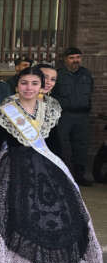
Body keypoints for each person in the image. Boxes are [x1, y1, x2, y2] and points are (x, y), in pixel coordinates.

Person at [0, 67, 106, 263]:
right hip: (13, 168)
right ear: (17, 85)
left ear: (41, 87)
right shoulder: (6, 111)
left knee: (41, 222)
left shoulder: (49, 110)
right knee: (13, 219)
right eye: (24, 83)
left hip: (44, 168)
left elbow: (56, 145)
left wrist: (64, 173)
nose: (28, 88)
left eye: (33, 83)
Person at [54, 46, 95, 185]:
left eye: (78, 57)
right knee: (63, 146)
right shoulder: (58, 74)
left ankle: (80, 176)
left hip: (82, 116)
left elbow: (90, 92)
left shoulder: (86, 73)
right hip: (64, 116)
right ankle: (65, 176)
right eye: (72, 58)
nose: (75, 60)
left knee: (81, 147)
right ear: (65, 59)